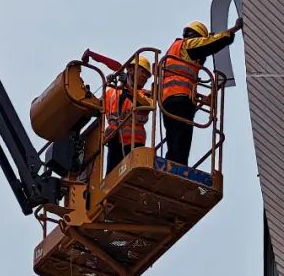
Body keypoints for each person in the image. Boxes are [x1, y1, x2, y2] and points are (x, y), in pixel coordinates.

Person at [160, 19, 241, 165]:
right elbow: (209, 44)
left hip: (168, 100)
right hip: (180, 100)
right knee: (181, 139)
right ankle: (178, 168)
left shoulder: (176, 50)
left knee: (174, 138)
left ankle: (172, 164)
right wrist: (233, 30)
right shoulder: (187, 45)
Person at [101, 56, 154, 175]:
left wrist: (128, 87)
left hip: (134, 141)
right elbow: (96, 107)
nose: (145, 76)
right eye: (143, 71)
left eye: (147, 74)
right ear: (130, 69)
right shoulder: (111, 92)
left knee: (133, 175)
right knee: (111, 177)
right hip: (114, 141)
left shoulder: (146, 94)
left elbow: (146, 104)